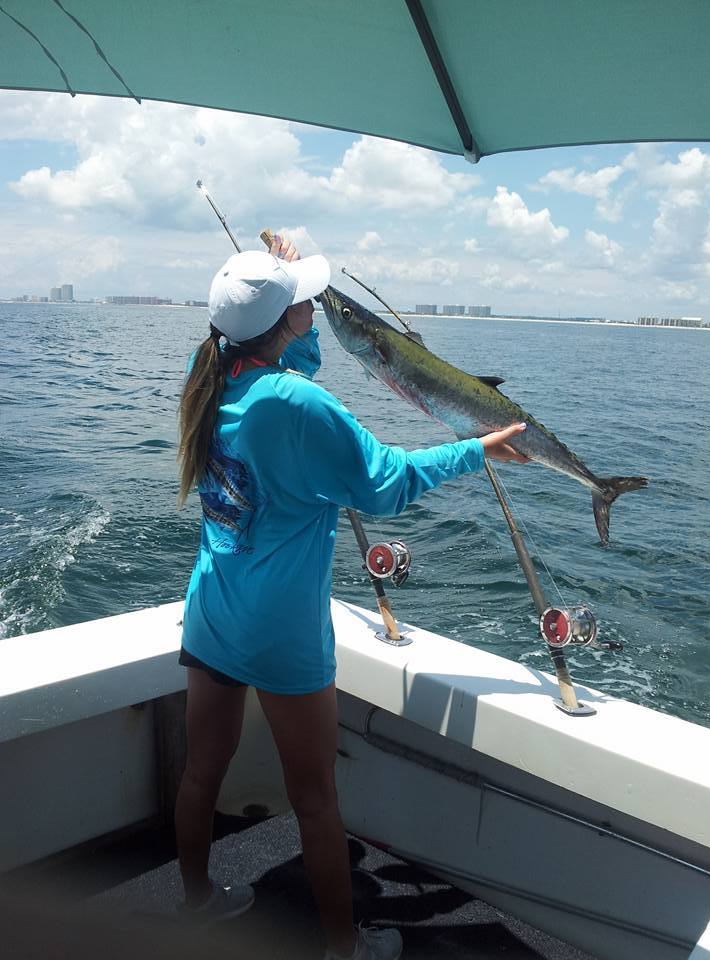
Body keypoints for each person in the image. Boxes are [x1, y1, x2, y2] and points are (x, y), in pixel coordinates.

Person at [175, 235, 528, 960]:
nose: (312, 306)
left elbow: (282, 366)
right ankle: (344, 948)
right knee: (315, 799)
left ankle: (197, 900)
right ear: (283, 319)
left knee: (200, 770)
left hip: (213, 608)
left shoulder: (209, 370)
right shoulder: (298, 404)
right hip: (282, 633)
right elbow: (385, 483)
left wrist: (282, 294)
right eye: (301, 299)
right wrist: (478, 448)